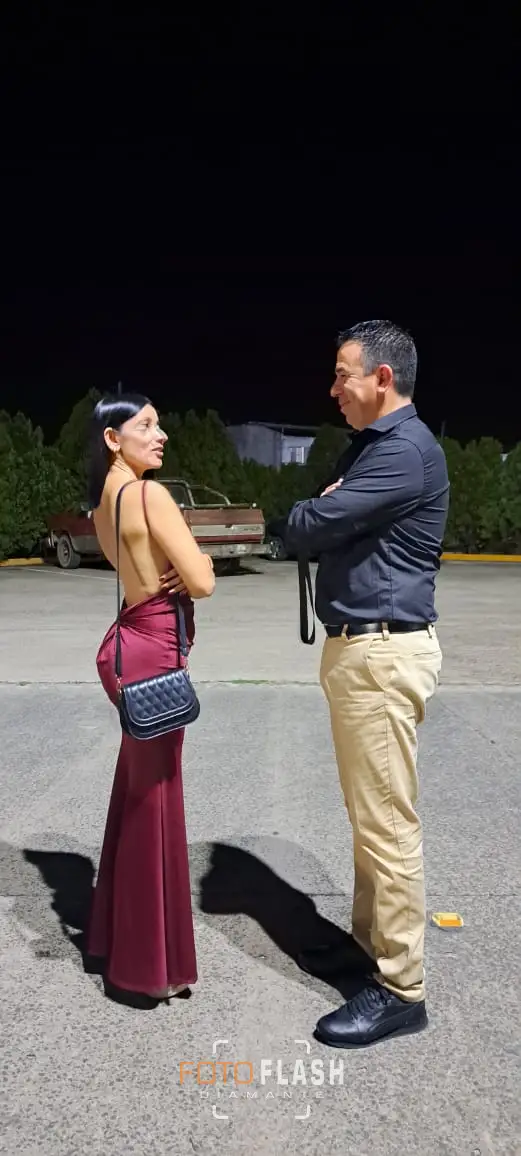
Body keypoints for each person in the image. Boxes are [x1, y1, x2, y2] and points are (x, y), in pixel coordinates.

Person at [285, 320, 449, 1048]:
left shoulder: (402, 452)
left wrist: (316, 509)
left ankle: (401, 989)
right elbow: (325, 520)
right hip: (364, 651)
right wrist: (324, 509)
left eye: (342, 374)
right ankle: (367, 949)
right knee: (369, 819)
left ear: (382, 378)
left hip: (381, 655)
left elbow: (308, 524)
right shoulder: (377, 448)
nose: (333, 389)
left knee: (387, 826)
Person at [84, 393, 215, 1008]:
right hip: (156, 652)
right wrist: (199, 559)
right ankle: (148, 968)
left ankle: (117, 942)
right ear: (113, 438)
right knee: (155, 804)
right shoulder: (148, 495)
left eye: (159, 424)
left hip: (128, 645)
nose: (160, 435)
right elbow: (203, 581)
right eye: (146, 425)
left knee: (135, 796)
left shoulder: (102, 503)